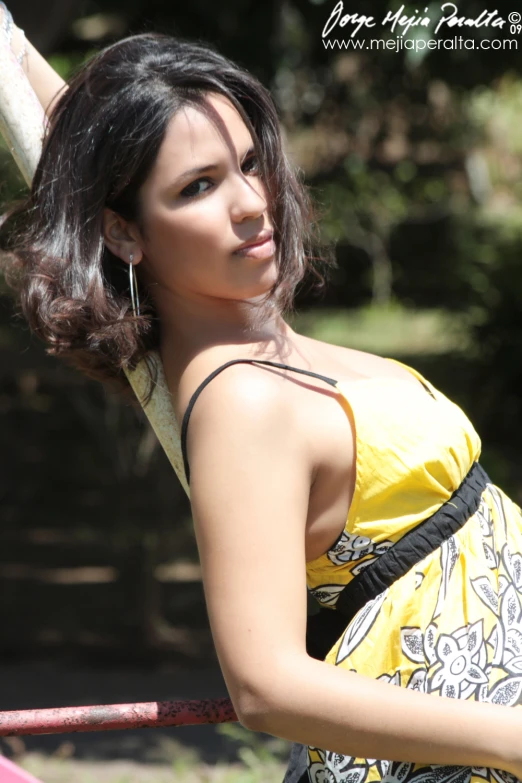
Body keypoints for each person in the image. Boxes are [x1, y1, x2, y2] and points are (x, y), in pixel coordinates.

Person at [1, 7, 522, 783]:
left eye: (249, 163)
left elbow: (71, 133)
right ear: (123, 233)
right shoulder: (242, 403)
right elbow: (265, 683)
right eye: (199, 187)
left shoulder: (264, 341)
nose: (251, 202)